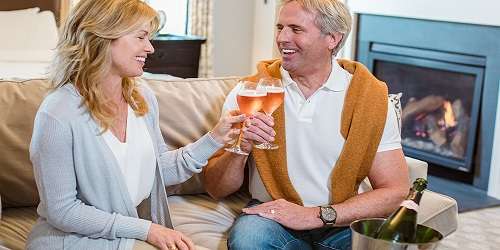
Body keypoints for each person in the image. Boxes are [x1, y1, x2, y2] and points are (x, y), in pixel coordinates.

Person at [26, 0, 244, 249]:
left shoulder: (141, 99)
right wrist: (146, 229)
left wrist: (215, 139)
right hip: (72, 240)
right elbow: (62, 211)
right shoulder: (57, 113)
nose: (150, 48)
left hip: (123, 236)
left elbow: (159, 171)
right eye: (141, 37)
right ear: (104, 36)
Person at [202, 0, 410, 249]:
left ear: (332, 38)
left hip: (340, 219)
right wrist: (241, 147)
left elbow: (395, 191)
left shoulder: (370, 99)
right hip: (272, 217)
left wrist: (318, 215)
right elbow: (216, 187)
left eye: (296, 29)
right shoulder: (252, 93)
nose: (282, 38)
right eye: (280, 27)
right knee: (249, 241)